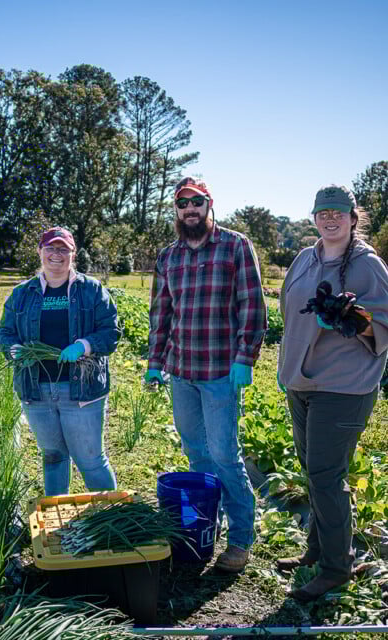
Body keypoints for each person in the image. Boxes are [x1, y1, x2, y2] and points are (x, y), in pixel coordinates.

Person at [275, 184, 388, 601]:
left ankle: (335, 568)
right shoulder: (305, 258)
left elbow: (386, 327)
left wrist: (353, 318)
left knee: (327, 477)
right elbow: (286, 311)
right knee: (314, 471)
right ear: (313, 218)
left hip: (343, 387)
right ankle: (317, 550)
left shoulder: (368, 265)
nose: (329, 219)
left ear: (352, 217)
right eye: (322, 212)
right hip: (302, 380)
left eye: (337, 213)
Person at [145, 176, 267, 573]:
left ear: (209, 204)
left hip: (219, 374)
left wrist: (244, 358)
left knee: (223, 454)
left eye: (197, 202)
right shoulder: (169, 257)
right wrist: (154, 363)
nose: (190, 210)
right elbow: (161, 315)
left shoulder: (235, 246)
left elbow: (253, 305)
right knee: (195, 451)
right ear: (176, 211)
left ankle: (241, 539)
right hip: (182, 373)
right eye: (182, 204)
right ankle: (207, 522)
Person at [0, 227, 120, 497]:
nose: (56, 254)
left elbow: (111, 332)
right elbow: (4, 332)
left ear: (73, 254)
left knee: (90, 460)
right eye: (50, 248)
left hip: (81, 392)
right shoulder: (22, 293)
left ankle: (111, 517)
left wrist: (84, 346)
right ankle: (58, 518)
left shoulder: (91, 290)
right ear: (40, 251)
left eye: (63, 249)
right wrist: (16, 350)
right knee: (53, 457)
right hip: (36, 390)